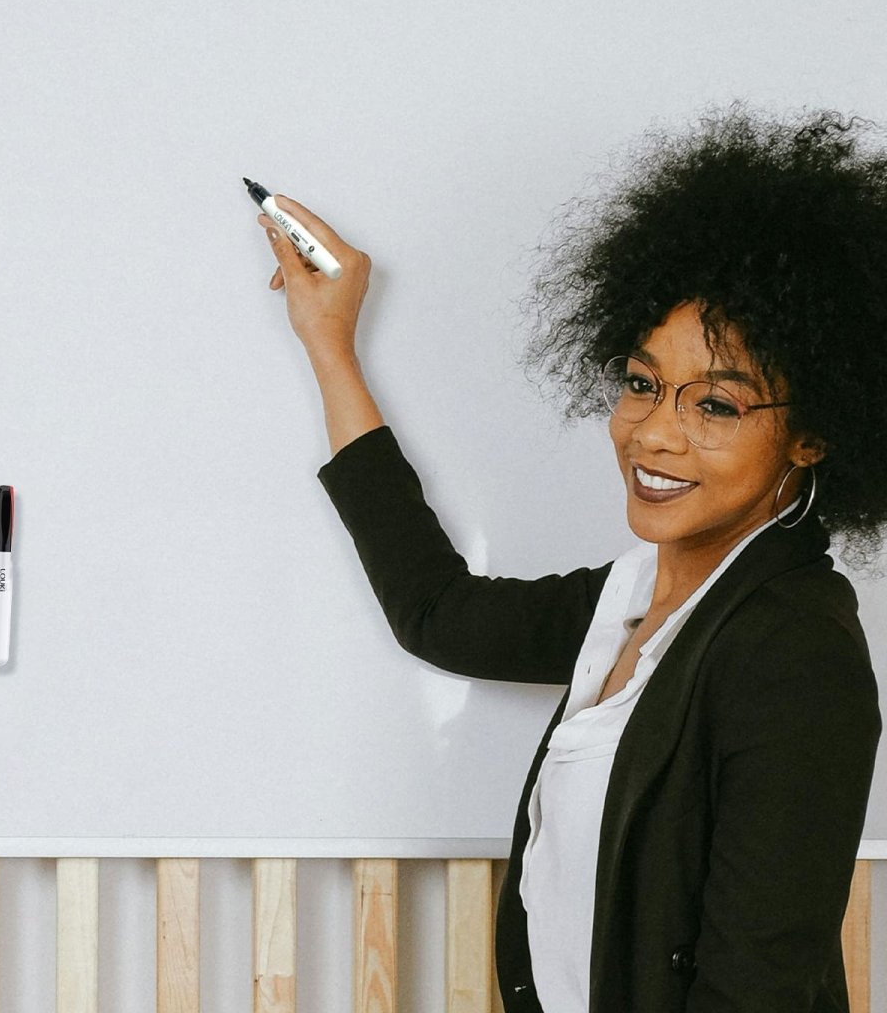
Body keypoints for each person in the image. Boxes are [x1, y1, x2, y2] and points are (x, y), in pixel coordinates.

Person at [255, 105, 884, 1012]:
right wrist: (330, 345)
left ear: (814, 437)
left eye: (715, 405)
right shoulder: (634, 602)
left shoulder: (792, 652)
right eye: (640, 384)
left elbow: (756, 989)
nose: (653, 434)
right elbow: (437, 612)